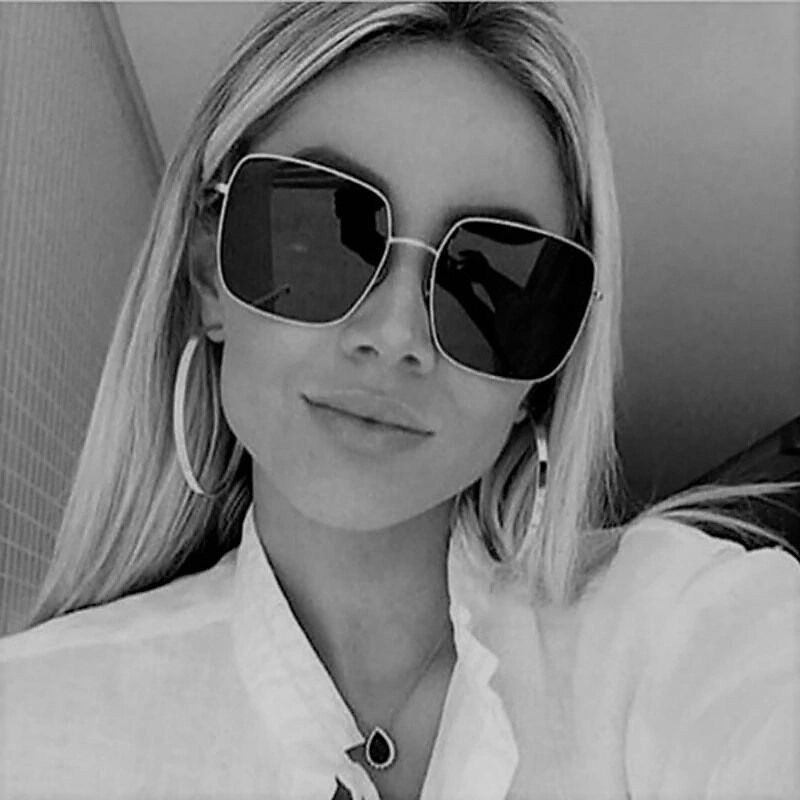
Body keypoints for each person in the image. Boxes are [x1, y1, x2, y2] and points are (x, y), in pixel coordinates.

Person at [1, 3, 798, 799]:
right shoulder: (32, 727)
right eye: (319, 235)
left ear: (544, 375)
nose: (394, 335)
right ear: (211, 273)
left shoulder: (667, 631)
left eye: (492, 282)